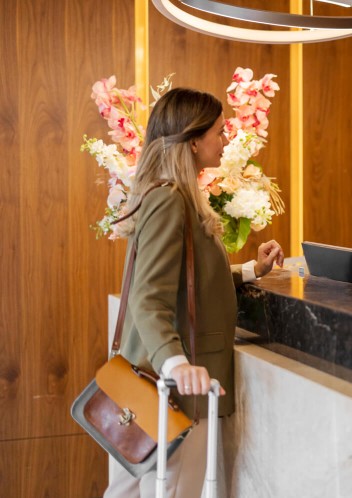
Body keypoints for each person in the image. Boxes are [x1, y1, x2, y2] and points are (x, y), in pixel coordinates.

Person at [104, 88, 284, 497]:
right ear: (193, 140)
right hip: (175, 394)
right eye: (220, 132)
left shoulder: (173, 195)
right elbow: (148, 297)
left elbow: (190, 281)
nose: (226, 140)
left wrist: (252, 270)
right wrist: (175, 365)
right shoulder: (170, 200)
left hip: (153, 390)